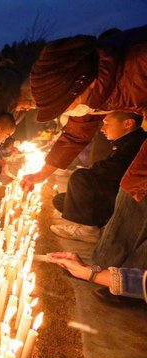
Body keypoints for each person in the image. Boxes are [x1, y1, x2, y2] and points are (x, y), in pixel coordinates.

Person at [21, 26, 147, 270]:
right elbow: (74, 135)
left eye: (65, 105)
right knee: (131, 188)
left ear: (82, 85)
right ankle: (109, 273)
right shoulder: (97, 89)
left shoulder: (138, 67)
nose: (67, 113)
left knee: (135, 187)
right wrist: (41, 175)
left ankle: (123, 279)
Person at [51, 112, 146, 243]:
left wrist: (93, 171)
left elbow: (112, 170)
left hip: (130, 201)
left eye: (107, 123)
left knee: (81, 177)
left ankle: (88, 230)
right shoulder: (127, 141)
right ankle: (98, 224)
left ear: (127, 124)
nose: (102, 128)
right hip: (115, 195)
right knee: (61, 200)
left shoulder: (137, 144)